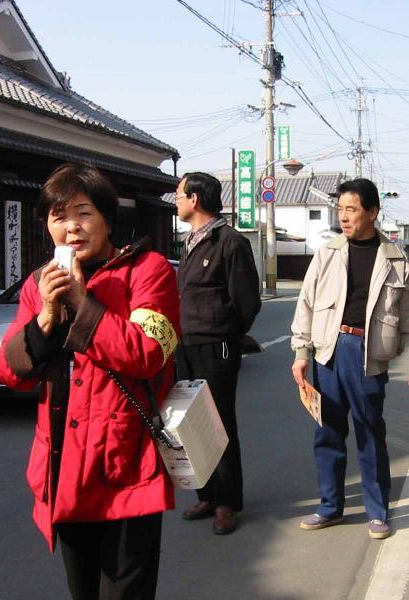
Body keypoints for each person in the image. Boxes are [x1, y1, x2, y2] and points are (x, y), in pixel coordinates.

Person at [0, 163, 180, 600]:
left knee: (125, 592)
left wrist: (82, 301)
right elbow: (9, 371)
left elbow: (149, 354)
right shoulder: (39, 283)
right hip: (64, 467)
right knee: (84, 592)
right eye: (59, 217)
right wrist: (44, 320)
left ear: (108, 219)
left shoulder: (149, 272)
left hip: (127, 465)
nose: (71, 227)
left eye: (84, 213)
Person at [290, 178, 409, 539]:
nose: (344, 217)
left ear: (372, 212)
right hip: (329, 348)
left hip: (367, 353)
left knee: (370, 431)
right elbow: (307, 303)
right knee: (327, 430)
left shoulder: (394, 258)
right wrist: (302, 352)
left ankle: (378, 511)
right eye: (340, 209)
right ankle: (330, 506)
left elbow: (406, 313)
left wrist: (391, 349)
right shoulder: (328, 252)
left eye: (352, 209)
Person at [174, 171, 261, 535]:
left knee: (220, 423)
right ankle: (206, 493)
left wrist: (227, 333)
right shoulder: (190, 242)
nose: (176, 201)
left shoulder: (230, 242)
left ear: (195, 199)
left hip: (217, 346)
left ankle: (228, 501)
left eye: (179, 194)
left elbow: (247, 302)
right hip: (186, 345)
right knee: (191, 424)